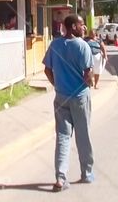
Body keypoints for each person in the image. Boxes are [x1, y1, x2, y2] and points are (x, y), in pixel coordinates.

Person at [43, 14, 94, 191]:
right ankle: (86, 173)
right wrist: (88, 83)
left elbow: (47, 69)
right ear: (73, 26)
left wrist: (57, 84)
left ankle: (60, 177)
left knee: (63, 137)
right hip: (79, 96)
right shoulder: (83, 46)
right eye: (81, 25)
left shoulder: (55, 45)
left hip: (61, 97)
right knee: (83, 134)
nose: (84, 28)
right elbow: (88, 75)